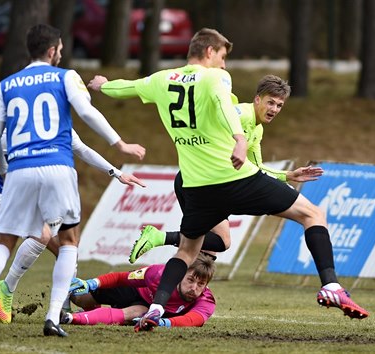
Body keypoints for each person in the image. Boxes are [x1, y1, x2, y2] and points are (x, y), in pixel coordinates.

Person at [87, 28, 369, 332]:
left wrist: (103, 86)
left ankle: (156, 307)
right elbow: (225, 105)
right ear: (210, 52)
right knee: (313, 214)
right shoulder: (216, 79)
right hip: (232, 178)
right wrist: (238, 139)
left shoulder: (161, 79)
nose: (224, 65)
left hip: (197, 186)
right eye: (223, 57)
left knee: (188, 251)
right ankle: (332, 286)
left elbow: (127, 87)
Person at [0, 23, 144, 338]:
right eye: (61, 50)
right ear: (52, 51)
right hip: (57, 168)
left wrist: (4, 169)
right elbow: (88, 113)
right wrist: (120, 144)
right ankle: (52, 317)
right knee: (68, 242)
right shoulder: (66, 78)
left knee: (5, 241)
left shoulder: (7, 85)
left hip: (19, 171)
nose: (61, 54)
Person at [128, 75, 323, 264]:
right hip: (199, 181)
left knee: (214, 244)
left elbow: (256, 168)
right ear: (257, 99)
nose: (274, 109)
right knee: (194, 247)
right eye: (270, 102)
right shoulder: (242, 113)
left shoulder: (257, 129)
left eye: (279, 105)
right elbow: (223, 115)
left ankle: (166, 261)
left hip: (207, 182)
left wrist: (288, 175)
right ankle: (161, 262)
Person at [0, 128, 145, 325]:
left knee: (66, 249)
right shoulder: (14, 129)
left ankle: (64, 305)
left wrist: (117, 173)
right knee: (45, 238)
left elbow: (82, 150)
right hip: (3, 200)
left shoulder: (61, 126)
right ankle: (8, 289)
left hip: (37, 201)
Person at [63, 253, 216, 329]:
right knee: (79, 298)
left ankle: (71, 318)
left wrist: (164, 322)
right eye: (190, 280)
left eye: (201, 284)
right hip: (135, 291)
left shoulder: (206, 301)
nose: (194, 288)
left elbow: (192, 320)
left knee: (134, 313)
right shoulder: (158, 274)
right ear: (180, 274)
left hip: (145, 308)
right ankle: (89, 305)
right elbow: (120, 278)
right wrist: (92, 283)